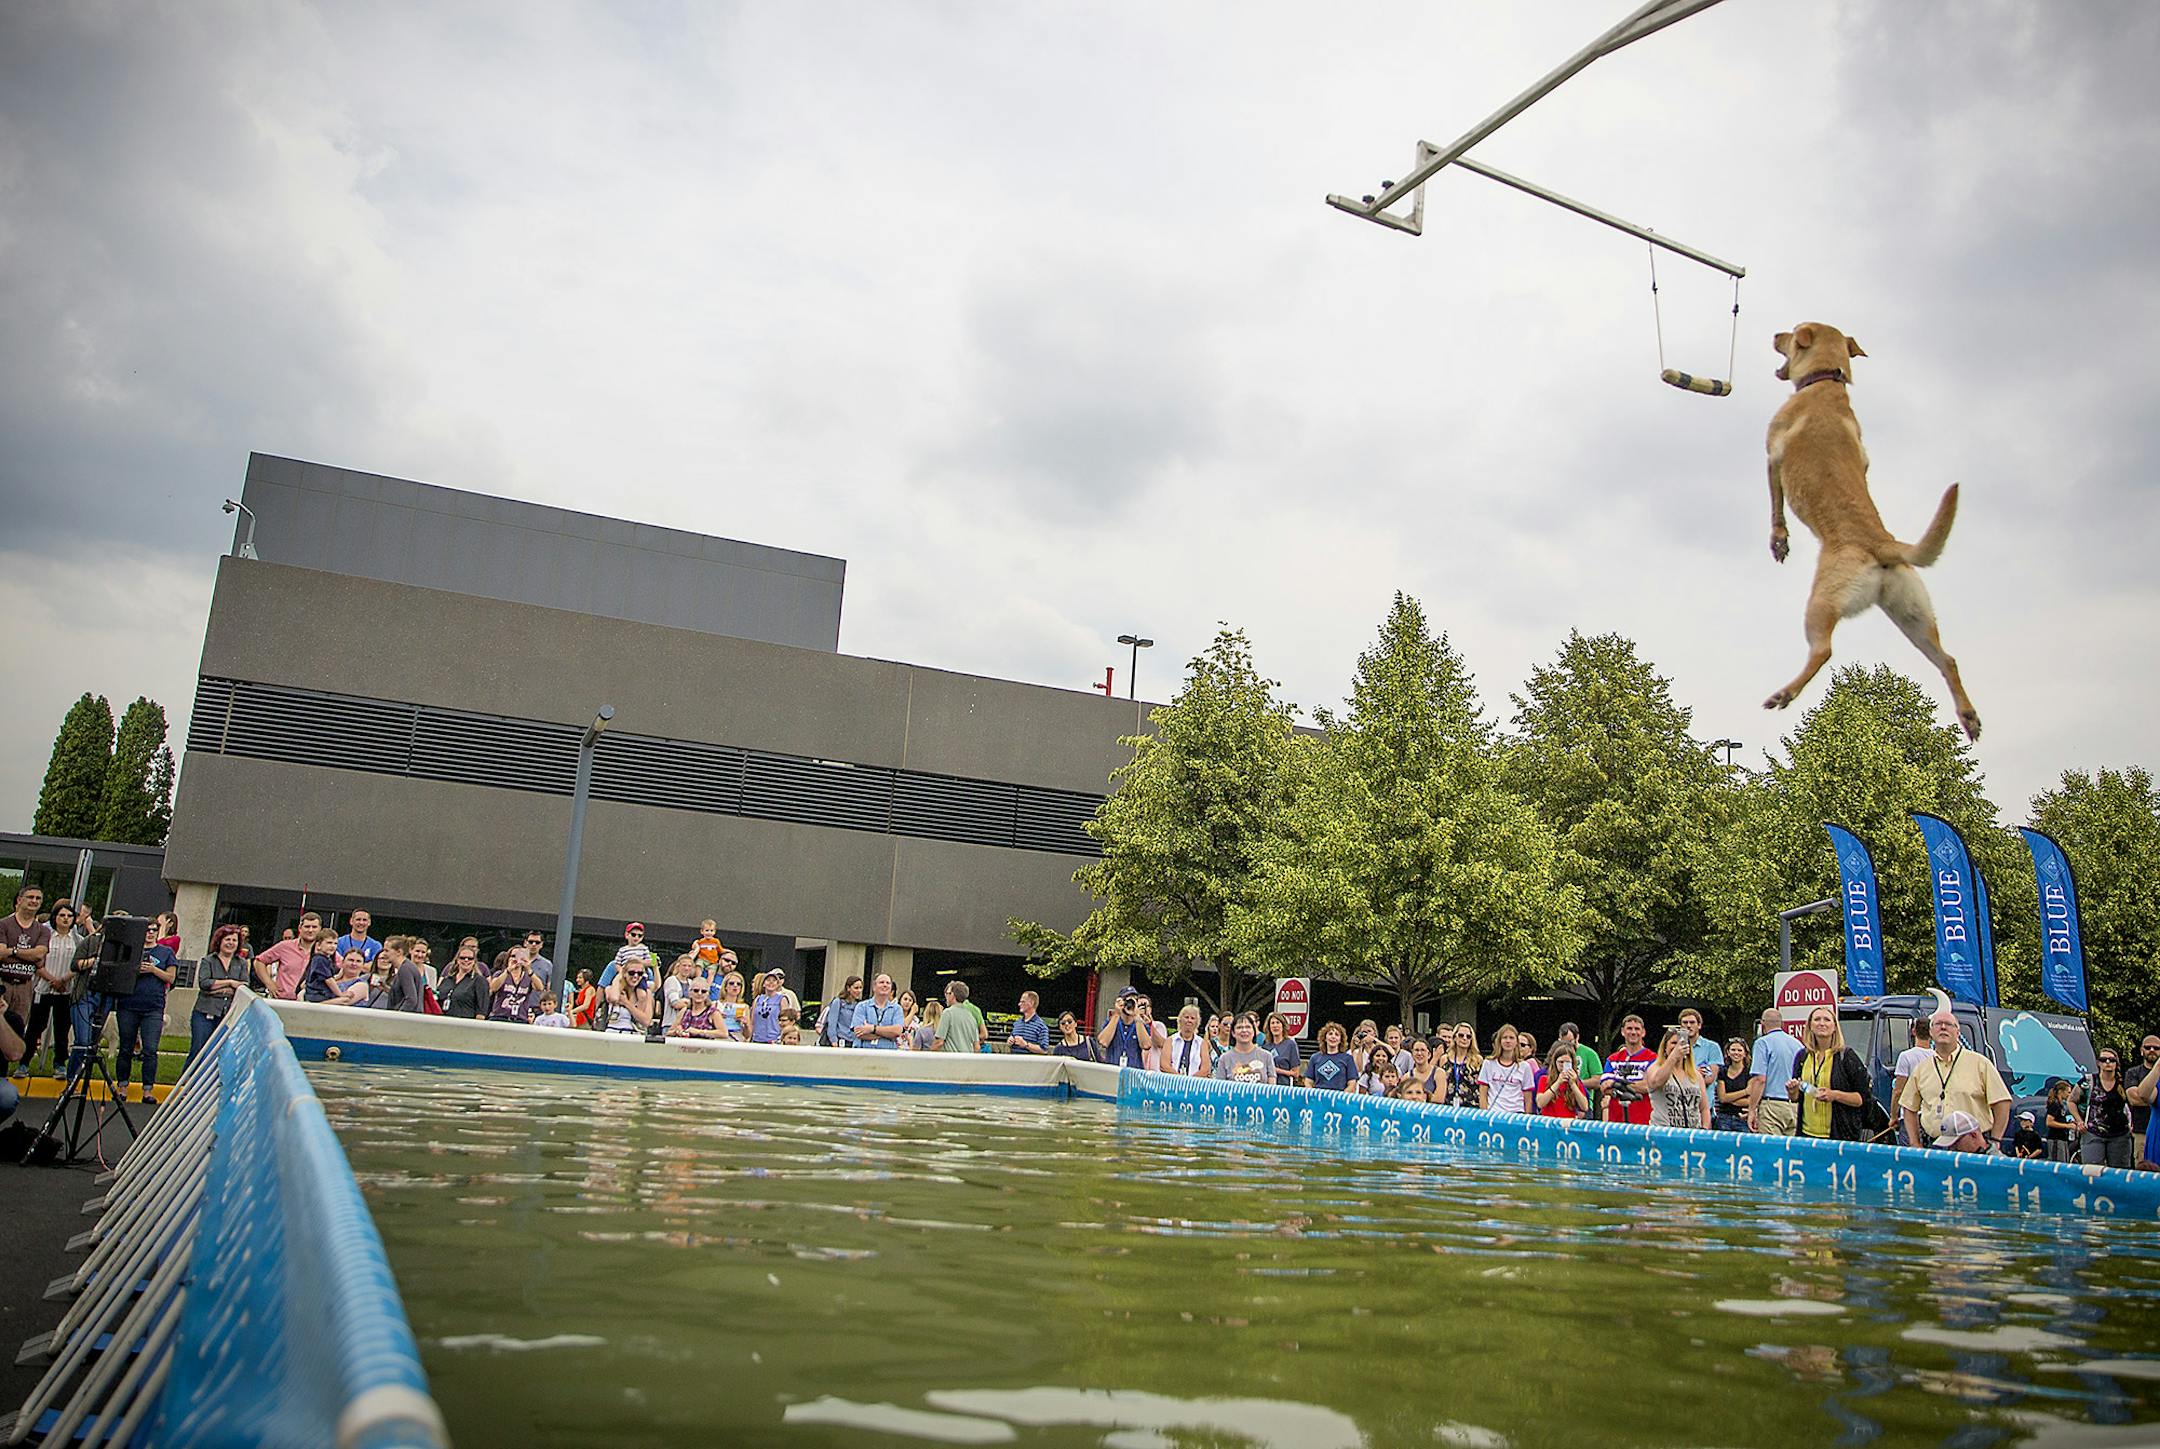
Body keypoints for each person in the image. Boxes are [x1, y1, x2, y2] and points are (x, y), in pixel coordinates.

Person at [1899, 1007, 2011, 1151]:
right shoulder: (1922, 1069)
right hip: (1935, 1146)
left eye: (1949, 1024)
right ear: (1931, 1032)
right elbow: (1908, 1107)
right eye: (1938, 1024)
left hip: (1973, 1147)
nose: (1943, 1027)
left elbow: (2002, 1102)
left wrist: (1995, 1140)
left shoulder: (1980, 1064)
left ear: (1958, 1033)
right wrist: (1914, 1143)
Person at [1789, 1005, 1870, 1141]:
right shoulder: (1802, 1056)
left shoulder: (1847, 1057)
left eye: (1827, 1020)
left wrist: (1835, 1095)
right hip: (1807, 1135)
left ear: (1834, 1027)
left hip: (1839, 1136)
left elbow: (1862, 1099)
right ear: (1810, 1026)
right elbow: (1795, 1098)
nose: (1821, 1023)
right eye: (1817, 1019)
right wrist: (1792, 1091)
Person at [24, 899, 85, 1075]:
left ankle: (59, 1063)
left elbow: (78, 963)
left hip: (66, 989)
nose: (65, 919)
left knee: (62, 1029)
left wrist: (63, 980)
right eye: (62, 915)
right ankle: (25, 1062)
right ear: (55, 917)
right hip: (43, 987)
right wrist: (52, 980)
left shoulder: (77, 939)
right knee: (36, 1026)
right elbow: (37, 961)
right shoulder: (44, 936)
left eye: (69, 916)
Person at [188, 924, 251, 1064]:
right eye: (227, 939)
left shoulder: (240, 963)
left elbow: (244, 985)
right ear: (220, 941)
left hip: (227, 1014)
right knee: (198, 1048)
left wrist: (217, 987)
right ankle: (187, 1081)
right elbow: (204, 984)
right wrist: (230, 982)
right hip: (205, 1012)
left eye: (234, 940)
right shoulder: (208, 961)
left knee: (218, 1051)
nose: (231, 943)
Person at [0, 884, 53, 1033]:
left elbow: (39, 954)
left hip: (25, 984)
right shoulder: (3, 924)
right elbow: (0, 953)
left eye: (38, 899)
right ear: (19, 900)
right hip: (3, 981)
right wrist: (29, 955)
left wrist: (12, 951)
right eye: (30, 897)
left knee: (17, 1030)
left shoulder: (43, 930)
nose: (34, 901)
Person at [1747, 1008, 1804, 1135]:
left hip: (1772, 1106)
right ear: (1782, 1024)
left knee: (1770, 1151)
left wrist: (1752, 1109)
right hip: (1794, 1106)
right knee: (1791, 1151)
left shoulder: (1762, 1043)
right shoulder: (1797, 1044)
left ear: (1762, 1024)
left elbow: (1760, 1079)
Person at [2082, 1047, 2135, 1169]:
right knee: (2092, 1171)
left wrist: (2133, 1123)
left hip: (2120, 1134)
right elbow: (2071, 1101)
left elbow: (2133, 1102)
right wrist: (2079, 1121)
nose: (2107, 1063)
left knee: (2119, 1173)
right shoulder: (2090, 1080)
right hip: (2093, 1131)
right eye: (2103, 1059)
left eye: (2111, 1060)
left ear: (2116, 1063)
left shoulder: (2123, 1081)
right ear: (2098, 1063)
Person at [1603, 1015, 1658, 1126]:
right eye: (1629, 1028)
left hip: (1643, 1122)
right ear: (1623, 1032)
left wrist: (1617, 1084)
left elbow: (1648, 1086)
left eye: (1637, 1029)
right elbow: (1604, 1087)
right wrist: (1634, 1087)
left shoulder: (1652, 1058)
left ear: (1643, 1032)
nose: (1633, 1032)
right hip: (1616, 1122)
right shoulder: (1612, 1059)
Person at [252, 912, 322, 999]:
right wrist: (269, 983)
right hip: (282, 1001)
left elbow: (341, 967)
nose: (310, 930)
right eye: (307, 927)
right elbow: (259, 961)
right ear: (300, 928)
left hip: (309, 1004)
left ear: (320, 929)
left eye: (314, 927)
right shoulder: (284, 946)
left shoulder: (326, 951)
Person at [1479, 1025, 1537, 1114]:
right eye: (1504, 1037)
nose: (1508, 1041)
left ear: (1516, 1042)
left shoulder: (1525, 1066)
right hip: (1493, 1112)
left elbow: (1528, 1098)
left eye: (1511, 1038)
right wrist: (1484, 1114)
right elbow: (1483, 1092)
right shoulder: (1488, 1063)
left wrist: (1526, 1117)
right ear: (1499, 1041)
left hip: (1516, 1113)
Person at [1096, 987, 1148, 1069]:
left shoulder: (1140, 1024)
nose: (1130, 1004)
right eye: (1127, 1000)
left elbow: (1146, 1045)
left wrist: (1137, 1016)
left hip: (1133, 1074)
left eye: (1134, 1000)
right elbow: (1103, 1042)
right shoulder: (1112, 1021)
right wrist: (1117, 1014)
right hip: (1113, 1071)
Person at [850, 973, 906, 1049]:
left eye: (888, 983)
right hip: (863, 1054)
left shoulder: (897, 1009)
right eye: (881, 982)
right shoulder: (862, 1006)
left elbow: (897, 1031)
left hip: (888, 1055)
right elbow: (859, 1033)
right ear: (874, 987)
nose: (885, 985)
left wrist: (872, 1029)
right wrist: (887, 1034)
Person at [1536, 1041, 1590, 1119]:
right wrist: (1558, 1083)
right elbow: (1540, 1103)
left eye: (1567, 1063)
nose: (1563, 1066)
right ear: (1555, 1062)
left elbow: (1584, 1107)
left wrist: (1573, 1085)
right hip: (1550, 1122)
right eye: (1561, 1062)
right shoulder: (1544, 1079)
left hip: (1567, 1124)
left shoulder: (1576, 1081)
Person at [1437, 1022, 1483, 1109]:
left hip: (1471, 1107)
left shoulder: (1477, 1060)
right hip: (1448, 1106)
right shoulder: (1444, 1059)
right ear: (1454, 1037)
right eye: (1461, 1035)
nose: (1464, 1039)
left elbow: (1481, 1088)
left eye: (1468, 1036)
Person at [1710, 1037, 1753, 1132]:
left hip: (1742, 1118)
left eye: (1739, 1050)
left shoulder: (1750, 1073)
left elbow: (1750, 1101)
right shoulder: (1722, 1072)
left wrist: (1729, 1098)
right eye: (1733, 1050)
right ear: (1728, 1053)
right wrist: (1745, 1091)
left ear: (1745, 1053)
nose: (1736, 1053)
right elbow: (1722, 1098)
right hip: (1723, 1118)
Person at [1890, 1018, 1932, 1115]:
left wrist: (1893, 1115)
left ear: (1913, 1031)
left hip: (1909, 1113)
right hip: (1930, 1115)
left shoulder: (1905, 1056)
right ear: (1931, 1033)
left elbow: (1898, 1091)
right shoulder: (1936, 1057)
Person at [439, 942, 491, 1019]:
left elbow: (482, 1010)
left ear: (474, 961)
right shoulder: (447, 979)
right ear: (457, 960)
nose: (466, 960)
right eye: (462, 958)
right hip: (443, 1020)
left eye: (470, 958)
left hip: (465, 1022)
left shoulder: (479, 980)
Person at [604, 957, 655, 1035]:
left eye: (640, 973)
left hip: (634, 1036)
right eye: (631, 973)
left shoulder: (646, 994)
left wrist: (626, 1003)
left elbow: (646, 1021)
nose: (635, 976)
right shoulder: (611, 988)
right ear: (624, 973)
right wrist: (619, 977)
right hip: (613, 1034)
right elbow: (613, 998)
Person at [487, 948, 538, 1024]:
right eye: (513, 956)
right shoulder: (500, 974)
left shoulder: (528, 977)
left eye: (520, 956)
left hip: (520, 1019)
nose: (516, 959)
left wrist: (529, 969)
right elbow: (493, 988)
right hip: (500, 1017)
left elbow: (539, 988)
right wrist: (508, 970)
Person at [1303, 1022, 1357, 1092]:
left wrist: (1341, 1097)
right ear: (1325, 1038)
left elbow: (1352, 1083)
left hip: (1339, 1099)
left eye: (1337, 1035)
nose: (1333, 1037)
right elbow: (1308, 1081)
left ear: (1341, 1040)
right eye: (1330, 1034)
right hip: (1319, 1099)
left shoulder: (1348, 1059)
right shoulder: (1315, 1058)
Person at [596, 923, 652, 987]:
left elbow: (650, 962)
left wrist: (637, 961)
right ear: (627, 935)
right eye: (633, 935)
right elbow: (617, 963)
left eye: (640, 935)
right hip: (624, 976)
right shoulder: (622, 950)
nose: (636, 937)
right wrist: (622, 972)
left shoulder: (644, 948)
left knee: (641, 993)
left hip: (640, 977)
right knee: (616, 986)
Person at [1162, 1004, 1211, 1077]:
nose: (1189, 1020)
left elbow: (1206, 1068)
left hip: (1194, 1084)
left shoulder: (1202, 1043)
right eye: (1186, 1017)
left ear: (1197, 1022)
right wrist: (1180, 1079)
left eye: (1192, 1018)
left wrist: (1189, 1081)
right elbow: (1164, 1065)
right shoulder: (1170, 1040)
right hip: (1172, 1083)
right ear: (1180, 1020)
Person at [936, 981, 984, 1053]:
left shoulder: (948, 1013)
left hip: (950, 1061)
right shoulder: (971, 1017)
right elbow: (977, 1047)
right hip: (966, 1061)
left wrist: (928, 1056)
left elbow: (939, 1042)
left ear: (953, 995)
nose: (946, 996)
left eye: (948, 993)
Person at [817, 976, 865, 1048]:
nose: (859, 991)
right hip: (840, 1040)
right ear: (848, 988)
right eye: (856, 988)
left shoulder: (860, 1005)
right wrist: (833, 1040)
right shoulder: (838, 1002)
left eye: (860, 988)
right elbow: (832, 1023)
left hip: (854, 1041)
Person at [2043, 1078, 2083, 1162]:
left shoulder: (2061, 1105)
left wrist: (2070, 1123)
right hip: (2055, 1139)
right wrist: (2067, 1126)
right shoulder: (2054, 1104)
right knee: (2056, 1162)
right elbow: (2049, 1122)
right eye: (2068, 1092)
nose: (2069, 1095)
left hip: (2062, 1139)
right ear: (2061, 1092)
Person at [1679, 1007, 1723, 1083]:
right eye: (1685, 1022)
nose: (1688, 1025)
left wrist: (1682, 1074)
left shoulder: (1712, 1047)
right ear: (1680, 1026)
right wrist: (1697, 1072)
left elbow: (1709, 1079)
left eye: (1692, 1022)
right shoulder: (1676, 1048)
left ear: (1699, 1025)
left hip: (1704, 1094)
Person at [2133, 1035, 2160, 1146]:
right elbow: (2140, 1096)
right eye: (2148, 1047)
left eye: (2156, 1048)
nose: (2152, 1050)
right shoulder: (2134, 1072)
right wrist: (2158, 1066)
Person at [749, 968, 787, 1043]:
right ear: (763, 984)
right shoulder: (758, 999)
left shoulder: (782, 999)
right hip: (757, 1038)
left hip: (774, 1040)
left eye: (774, 981)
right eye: (768, 980)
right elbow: (752, 1021)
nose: (771, 983)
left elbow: (785, 1020)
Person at [1264, 1013, 1301, 1086]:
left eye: (1278, 1022)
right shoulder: (1265, 1046)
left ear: (1283, 1025)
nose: (1275, 1026)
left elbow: (1295, 1073)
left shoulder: (1290, 1044)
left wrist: (1275, 1070)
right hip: (1267, 1087)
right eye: (1272, 1023)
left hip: (1284, 1086)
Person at [520, 929, 555, 1000]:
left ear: (541, 945)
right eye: (531, 942)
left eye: (537, 942)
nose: (534, 944)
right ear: (525, 943)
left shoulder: (547, 964)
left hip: (537, 1007)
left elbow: (549, 989)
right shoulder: (517, 961)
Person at [713, 971, 749, 1040]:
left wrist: (746, 1024)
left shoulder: (744, 1007)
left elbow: (747, 1035)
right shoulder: (716, 1004)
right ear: (725, 986)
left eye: (738, 984)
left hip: (737, 1038)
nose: (735, 986)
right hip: (719, 1038)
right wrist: (717, 1017)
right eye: (731, 983)